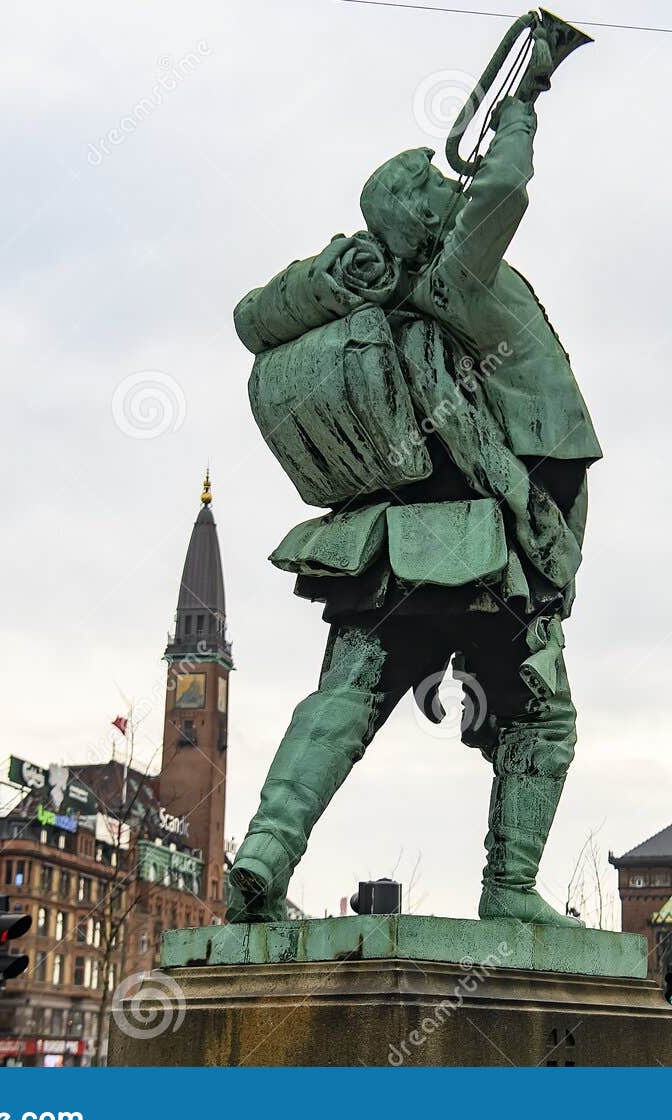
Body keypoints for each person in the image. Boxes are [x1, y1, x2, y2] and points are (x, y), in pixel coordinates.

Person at [227, 27, 600, 927]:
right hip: (478, 548)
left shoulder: (403, 294)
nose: (451, 185)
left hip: (392, 542)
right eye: (435, 188)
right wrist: (524, 100)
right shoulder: (456, 275)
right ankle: (509, 889)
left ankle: (262, 860)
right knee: (540, 718)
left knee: (348, 692)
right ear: (426, 219)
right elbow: (506, 185)